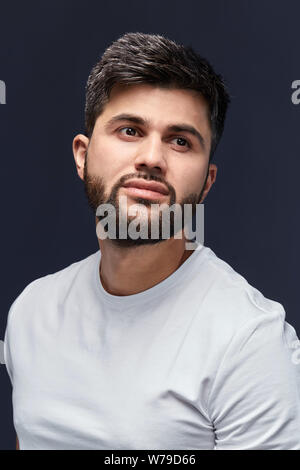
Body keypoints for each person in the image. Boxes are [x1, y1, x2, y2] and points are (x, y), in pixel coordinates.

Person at [4, 32, 300, 450]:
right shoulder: (31, 312)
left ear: (206, 182)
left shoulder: (250, 343)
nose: (152, 158)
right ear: (82, 155)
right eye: (129, 130)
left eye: (181, 141)